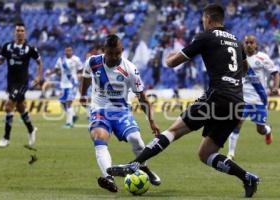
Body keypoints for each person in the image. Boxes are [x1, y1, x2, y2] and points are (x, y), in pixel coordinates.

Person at [107, 4, 260, 198]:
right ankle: (247, 178)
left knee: (173, 131)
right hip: (237, 102)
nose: (203, 23)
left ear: (208, 19)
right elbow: (245, 69)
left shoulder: (206, 36)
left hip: (217, 96)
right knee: (206, 154)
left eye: (203, 20)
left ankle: (134, 164)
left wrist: (166, 57)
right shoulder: (237, 41)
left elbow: (172, 63)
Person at [80, 34, 161, 193]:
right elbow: (86, 78)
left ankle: (144, 168)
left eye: (117, 53)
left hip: (122, 111)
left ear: (122, 50)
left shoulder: (130, 69)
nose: (114, 57)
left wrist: (151, 121)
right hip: (99, 110)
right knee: (99, 138)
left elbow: (142, 98)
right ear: (104, 51)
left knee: (135, 140)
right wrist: (82, 94)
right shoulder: (92, 62)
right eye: (110, 53)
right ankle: (108, 178)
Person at [227, 35, 280, 160]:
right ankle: (231, 154)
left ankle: (268, 130)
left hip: (259, 99)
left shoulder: (263, 58)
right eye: (247, 42)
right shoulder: (237, 58)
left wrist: (276, 87)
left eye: (251, 42)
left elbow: (276, 73)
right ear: (243, 44)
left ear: (256, 44)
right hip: (242, 99)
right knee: (237, 123)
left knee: (260, 130)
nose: (249, 45)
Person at [0, 22, 43, 147]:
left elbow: (39, 63)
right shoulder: (7, 47)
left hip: (22, 82)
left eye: (22, 30)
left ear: (25, 33)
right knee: (20, 107)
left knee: (9, 106)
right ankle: (31, 129)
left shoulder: (30, 48)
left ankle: (6, 138)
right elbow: (2, 60)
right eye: (18, 30)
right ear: (14, 32)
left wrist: (38, 76)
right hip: (10, 82)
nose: (20, 32)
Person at [46, 45, 83, 128]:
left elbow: (81, 69)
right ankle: (73, 116)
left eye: (70, 50)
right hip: (64, 84)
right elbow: (56, 69)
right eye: (67, 51)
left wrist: (80, 77)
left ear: (72, 51)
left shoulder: (76, 59)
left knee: (68, 103)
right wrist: (50, 73)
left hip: (72, 84)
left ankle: (69, 123)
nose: (68, 52)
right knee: (62, 102)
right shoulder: (61, 60)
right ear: (64, 51)